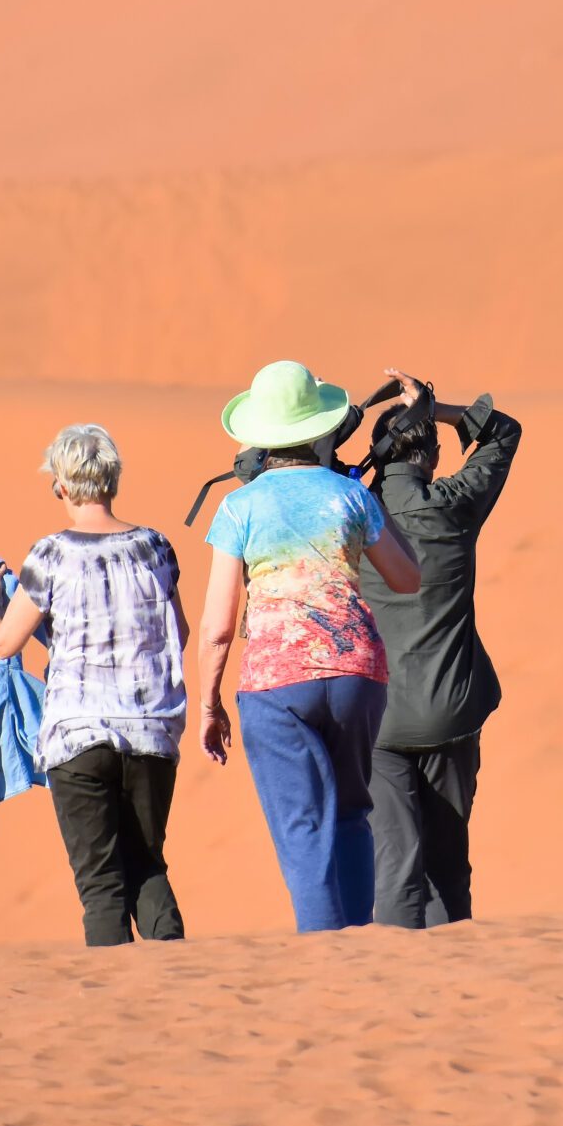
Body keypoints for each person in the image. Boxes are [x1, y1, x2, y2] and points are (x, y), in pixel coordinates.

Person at [194, 360, 422, 933]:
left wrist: (208, 704)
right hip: (356, 674)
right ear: (320, 429)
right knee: (351, 814)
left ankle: (324, 967)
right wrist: (365, 505)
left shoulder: (238, 507)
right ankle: (357, 945)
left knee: (302, 826)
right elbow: (407, 579)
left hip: (276, 683)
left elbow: (219, 625)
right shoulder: (349, 495)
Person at [0, 423, 189, 945]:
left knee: (101, 886)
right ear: (113, 480)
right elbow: (178, 633)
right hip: (150, 732)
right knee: (148, 866)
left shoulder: (49, 555)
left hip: (77, 734)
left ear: (62, 487)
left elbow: (5, 643)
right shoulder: (154, 548)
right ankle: (179, 988)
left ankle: (115, 1013)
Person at [355, 369, 523, 928]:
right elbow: (503, 432)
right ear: (429, 457)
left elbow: (303, 473)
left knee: (395, 864)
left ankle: (399, 998)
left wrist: (354, 418)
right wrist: (437, 407)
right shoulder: (452, 505)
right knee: (448, 864)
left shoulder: (350, 512)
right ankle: (452, 991)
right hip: (450, 710)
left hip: (377, 719)